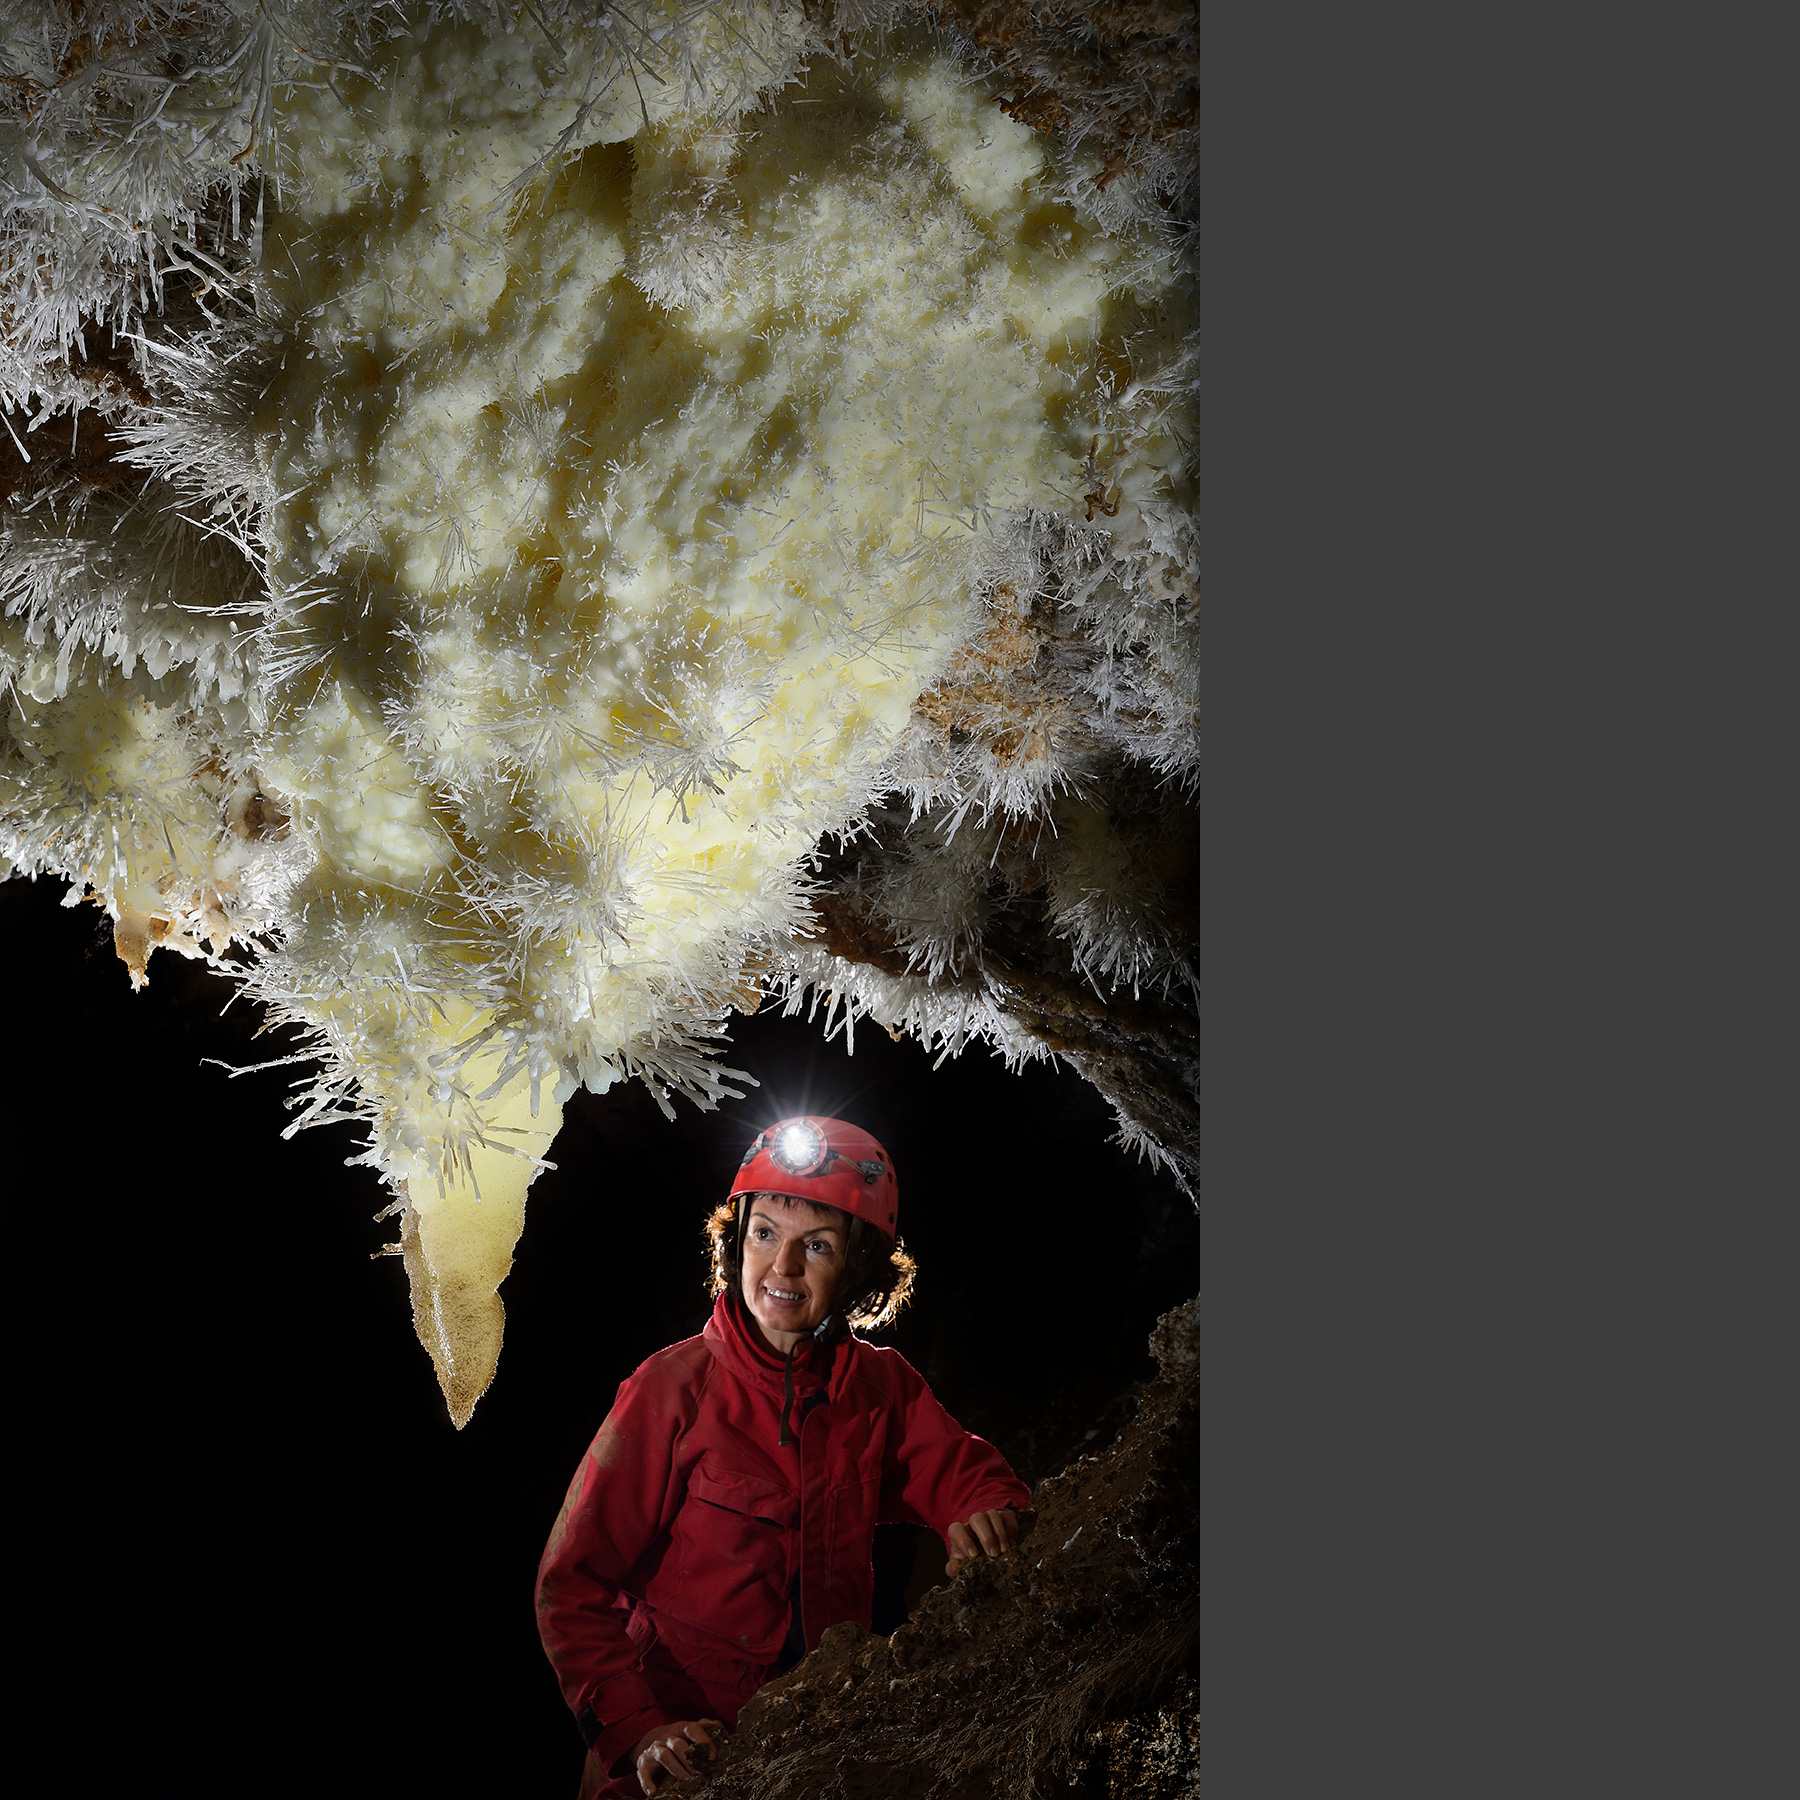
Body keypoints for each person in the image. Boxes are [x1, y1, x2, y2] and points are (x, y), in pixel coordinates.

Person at [535, 1115, 1032, 1797]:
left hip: (810, 1748)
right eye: (765, 1234)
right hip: (672, 1762)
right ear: (735, 1241)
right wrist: (641, 1729)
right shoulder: (672, 1390)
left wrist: (984, 1510)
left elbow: (960, 1471)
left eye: (819, 1247)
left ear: (859, 1266)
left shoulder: (879, 1389)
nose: (783, 1268)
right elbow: (571, 1586)